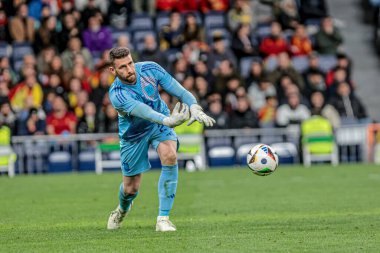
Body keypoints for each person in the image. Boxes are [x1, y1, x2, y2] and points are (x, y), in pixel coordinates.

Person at [106, 47, 215, 232]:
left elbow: (179, 90)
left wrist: (194, 106)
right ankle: (122, 209)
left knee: (170, 155)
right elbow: (143, 111)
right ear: (113, 70)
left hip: (159, 124)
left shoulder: (150, 69)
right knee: (130, 189)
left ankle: (163, 218)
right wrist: (168, 120)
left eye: (130, 63)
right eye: (122, 67)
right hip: (134, 134)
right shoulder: (117, 94)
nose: (130, 70)